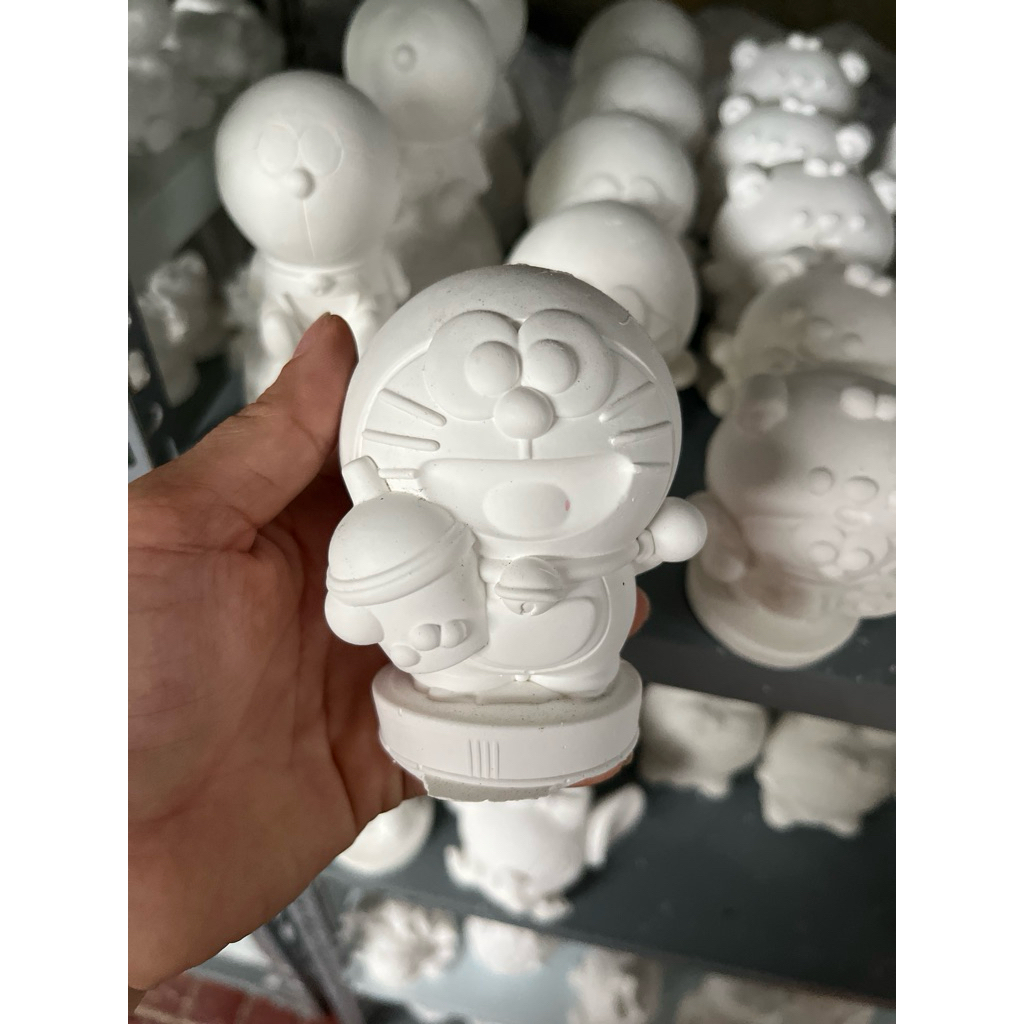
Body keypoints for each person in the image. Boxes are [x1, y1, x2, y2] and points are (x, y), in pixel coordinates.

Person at [128, 315, 648, 1006]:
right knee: (468, 653)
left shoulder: (541, 519)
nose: (522, 419)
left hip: (561, 629)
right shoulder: (410, 554)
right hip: (467, 634)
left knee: (560, 652)